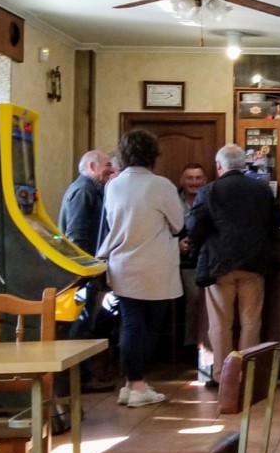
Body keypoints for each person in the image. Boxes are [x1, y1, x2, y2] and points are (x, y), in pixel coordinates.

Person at [98, 129, 184, 408]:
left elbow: (111, 221)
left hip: (121, 263)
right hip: (155, 264)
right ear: (153, 154)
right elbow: (178, 224)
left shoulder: (113, 185)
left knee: (130, 323)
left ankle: (130, 383)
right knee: (150, 327)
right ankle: (137, 384)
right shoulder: (161, 185)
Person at [188, 144, 280, 388]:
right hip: (254, 262)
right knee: (251, 321)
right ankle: (246, 375)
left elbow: (195, 226)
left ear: (218, 166)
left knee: (220, 323)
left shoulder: (209, 190)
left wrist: (198, 247)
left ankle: (223, 375)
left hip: (219, 264)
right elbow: (277, 219)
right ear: (243, 164)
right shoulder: (261, 189)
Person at [58, 149, 117, 390]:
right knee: (80, 326)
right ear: (92, 166)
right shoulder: (84, 191)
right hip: (82, 274)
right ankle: (79, 379)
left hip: (86, 272)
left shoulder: (90, 189)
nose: (111, 169)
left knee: (85, 325)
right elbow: (77, 235)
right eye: (107, 165)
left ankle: (82, 377)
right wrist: (85, 272)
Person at [177, 163, 209, 353]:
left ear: (205, 180)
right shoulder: (171, 200)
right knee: (196, 296)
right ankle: (191, 346)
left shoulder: (210, 198)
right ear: (182, 181)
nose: (194, 182)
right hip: (180, 263)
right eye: (190, 178)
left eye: (198, 178)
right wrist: (176, 245)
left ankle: (204, 345)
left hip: (206, 259)